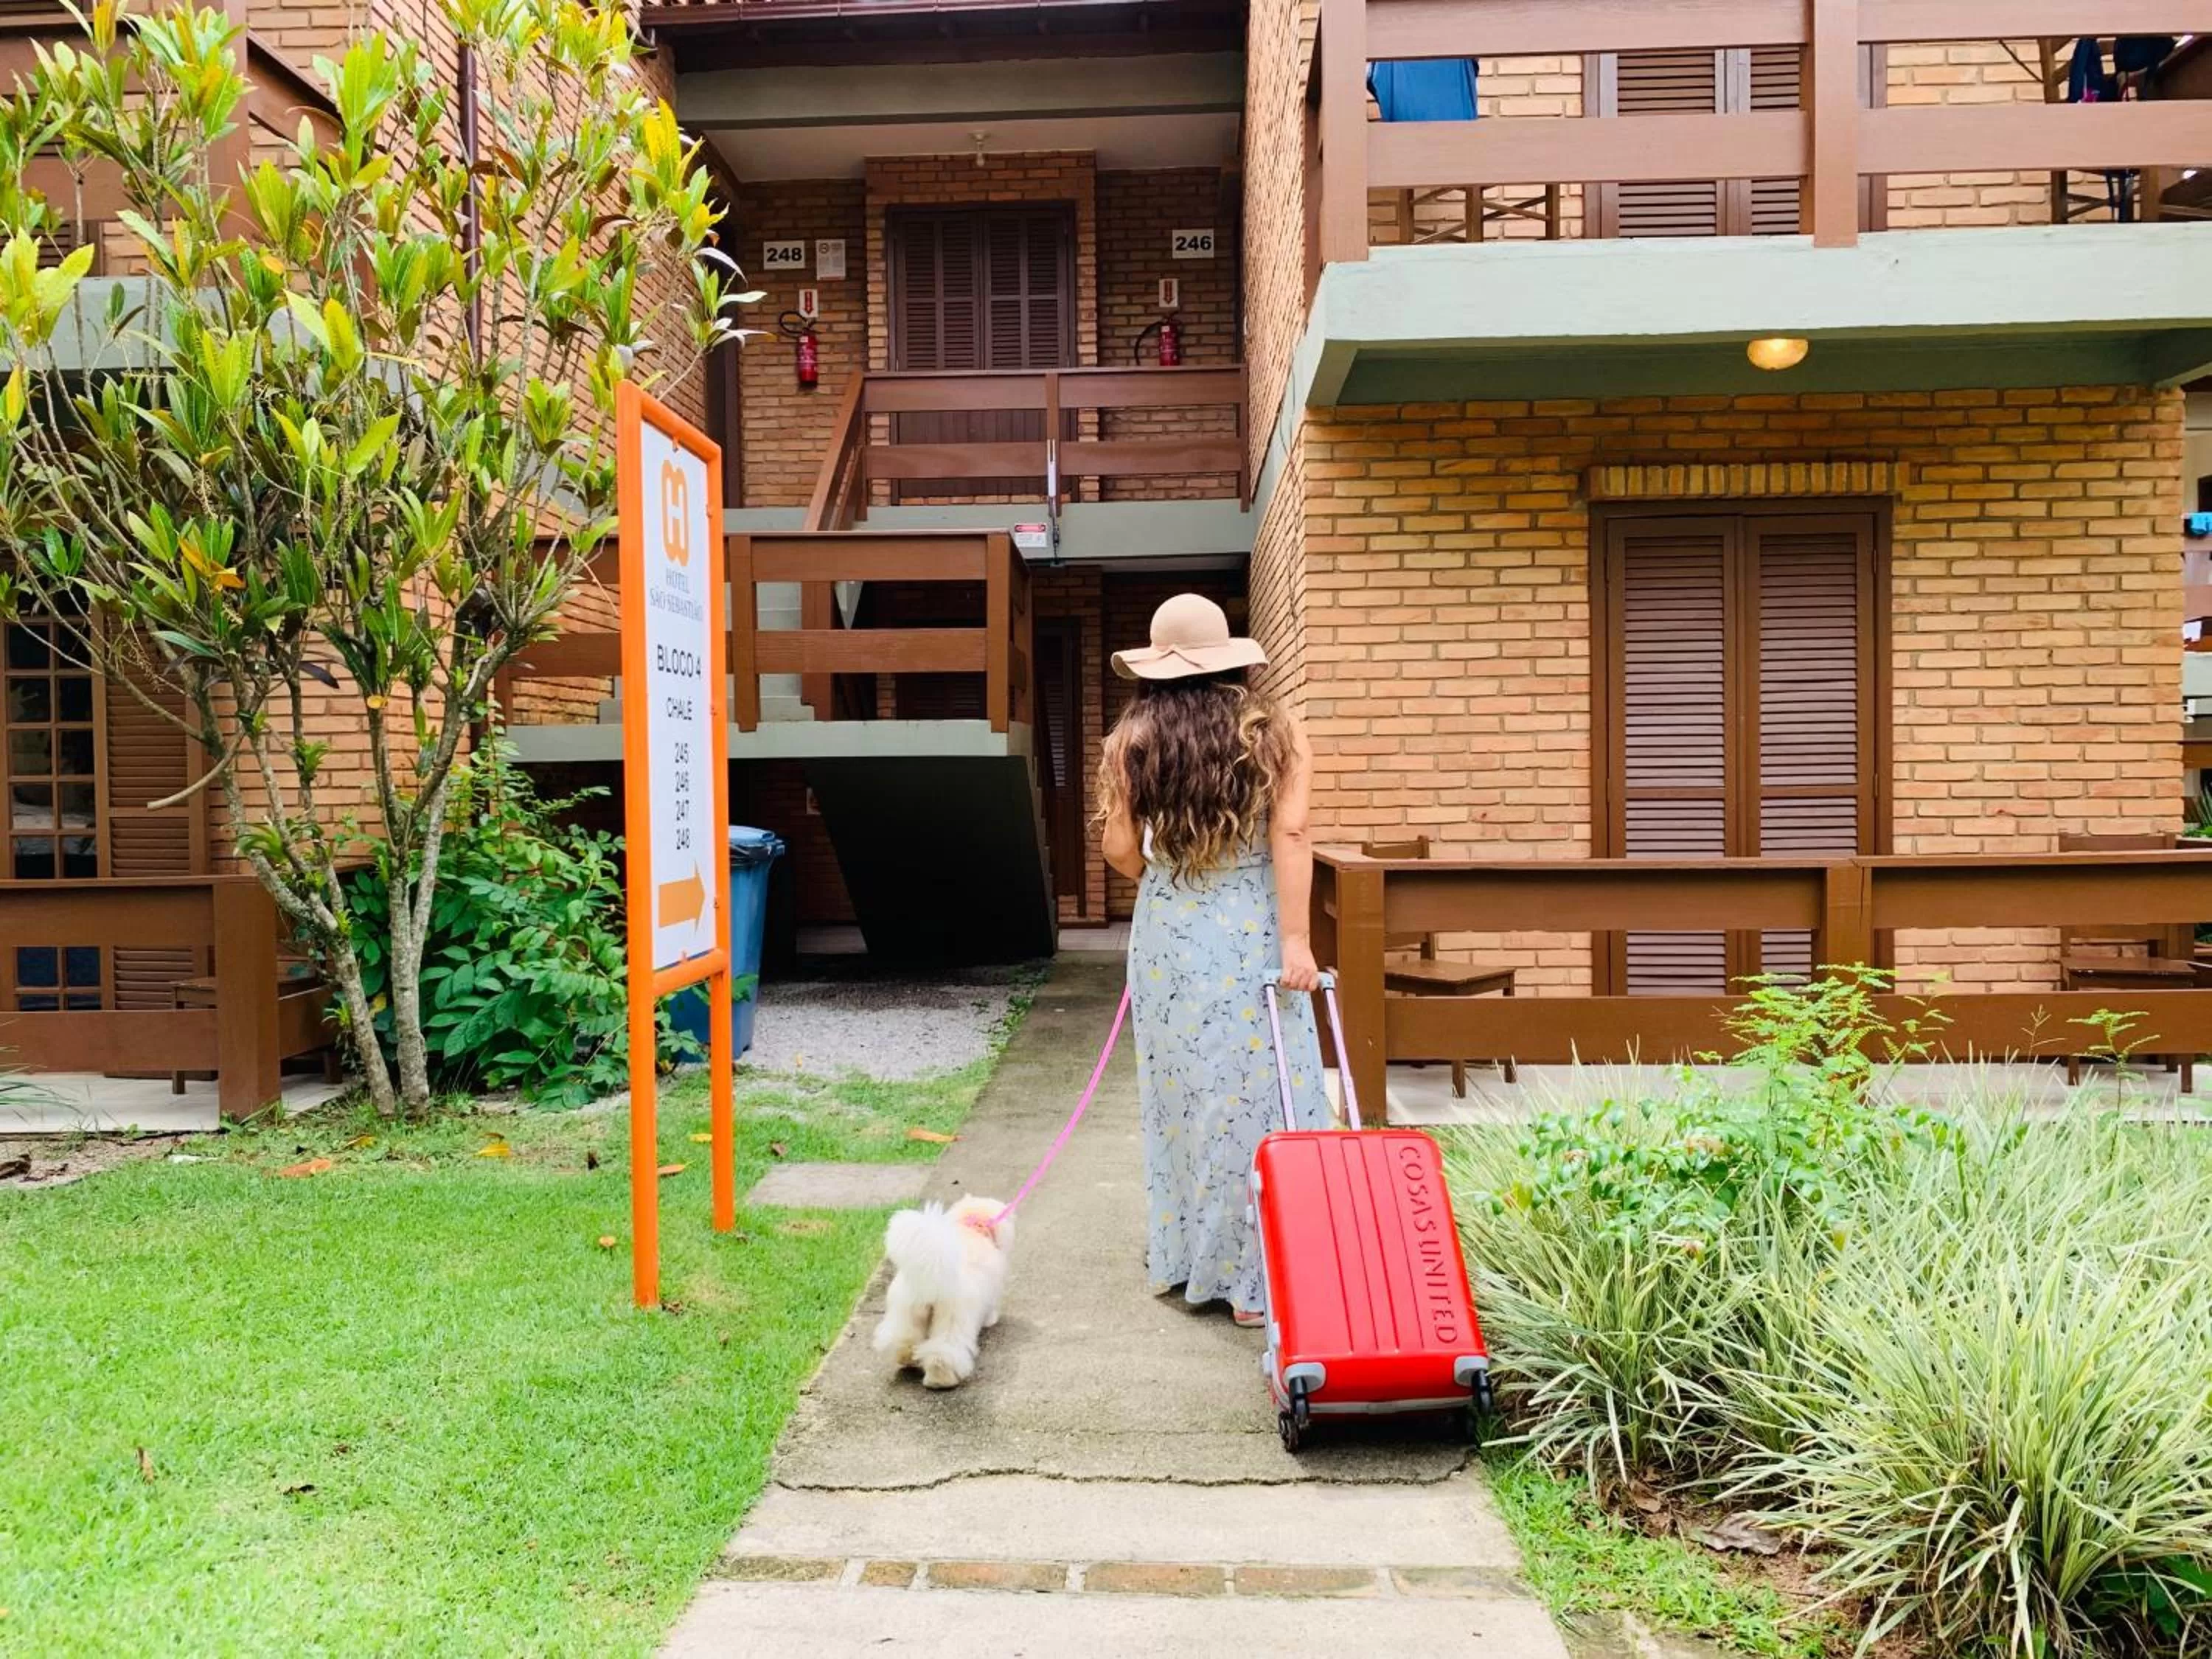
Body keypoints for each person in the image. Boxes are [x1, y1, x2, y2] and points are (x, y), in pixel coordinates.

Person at [1096, 593, 1332, 1327]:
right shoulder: (1280, 733)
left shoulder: (1130, 740)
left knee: (1186, 1100)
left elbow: (1118, 850)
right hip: (1255, 930)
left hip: (1170, 937)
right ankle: (1265, 1275)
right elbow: (1291, 835)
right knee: (1269, 1094)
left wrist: (1173, 884)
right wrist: (1295, 939)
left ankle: (1192, 1255)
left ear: (1158, 669)